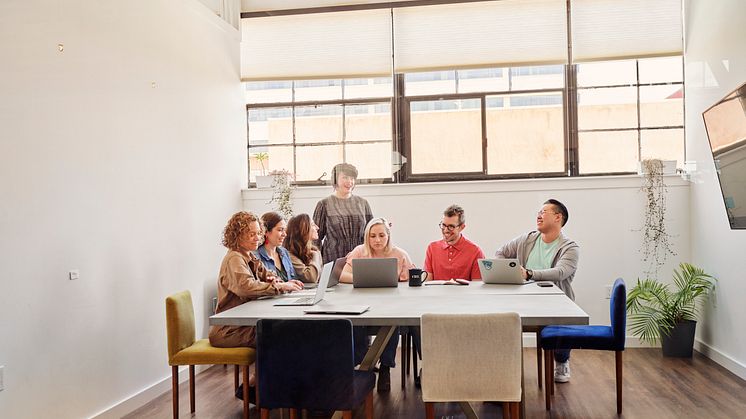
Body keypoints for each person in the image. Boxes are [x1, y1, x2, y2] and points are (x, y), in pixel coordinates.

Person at [209, 211, 304, 390]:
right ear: (237, 235)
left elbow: (265, 274)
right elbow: (246, 287)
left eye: (258, 233)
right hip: (229, 330)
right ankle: (255, 389)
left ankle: (268, 388)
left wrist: (280, 282)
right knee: (277, 335)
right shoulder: (234, 258)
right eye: (251, 234)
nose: (256, 238)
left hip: (241, 325)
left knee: (283, 332)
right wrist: (278, 287)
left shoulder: (248, 255)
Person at [495, 199, 579, 383]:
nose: (538, 216)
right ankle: (505, 366)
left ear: (558, 217)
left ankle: (562, 360)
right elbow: (500, 253)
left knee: (564, 321)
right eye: (538, 212)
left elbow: (561, 272)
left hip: (556, 301)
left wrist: (529, 273)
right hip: (523, 298)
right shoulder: (527, 239)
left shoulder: (570, 247)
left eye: (544, 212)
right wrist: (511, 270)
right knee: (500, 318)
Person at [341, 217, 414, 392]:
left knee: (392, 322)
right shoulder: (359, 251)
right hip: (361, 305)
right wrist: (365, 279)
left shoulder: (400, 254)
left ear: (388, 235)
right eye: (373, 236)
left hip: (390, 305)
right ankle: (361, 364)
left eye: (381, 235)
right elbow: (343, 275)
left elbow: (410, 282)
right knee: (352, 321)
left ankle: (386, 368)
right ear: (367, 237)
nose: (377, 240)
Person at [313, 163, 373, 264]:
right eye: (345, 177)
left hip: (360, 259)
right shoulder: (324, 204)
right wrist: (315, 263)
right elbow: (315, 238)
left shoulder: (363, 203)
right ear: (335, 179)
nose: (349, 182)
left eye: (352, 178)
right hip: (333, 260)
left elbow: (371, 232)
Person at [423, 204, 485, 281]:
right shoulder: (432, 248)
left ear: (462, 227)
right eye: (443, 225)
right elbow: (427, 283)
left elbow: (477, 286)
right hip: (437, 293)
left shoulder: (475, 252)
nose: (445, 230)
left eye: (451, 226)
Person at [284, 213, 323, 284]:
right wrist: (315, 256)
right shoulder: (289, 255)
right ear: (303, 229)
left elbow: (320, 278)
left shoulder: (314, 251)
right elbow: (311, 277)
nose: (317, 227)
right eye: (313, 225)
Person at [257, 212, 296, 282]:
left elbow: (293, 278)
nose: (285, 234)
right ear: (266, 232)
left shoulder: (284, 253)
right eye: (280, 230)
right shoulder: (256, 256)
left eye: (285, 230)